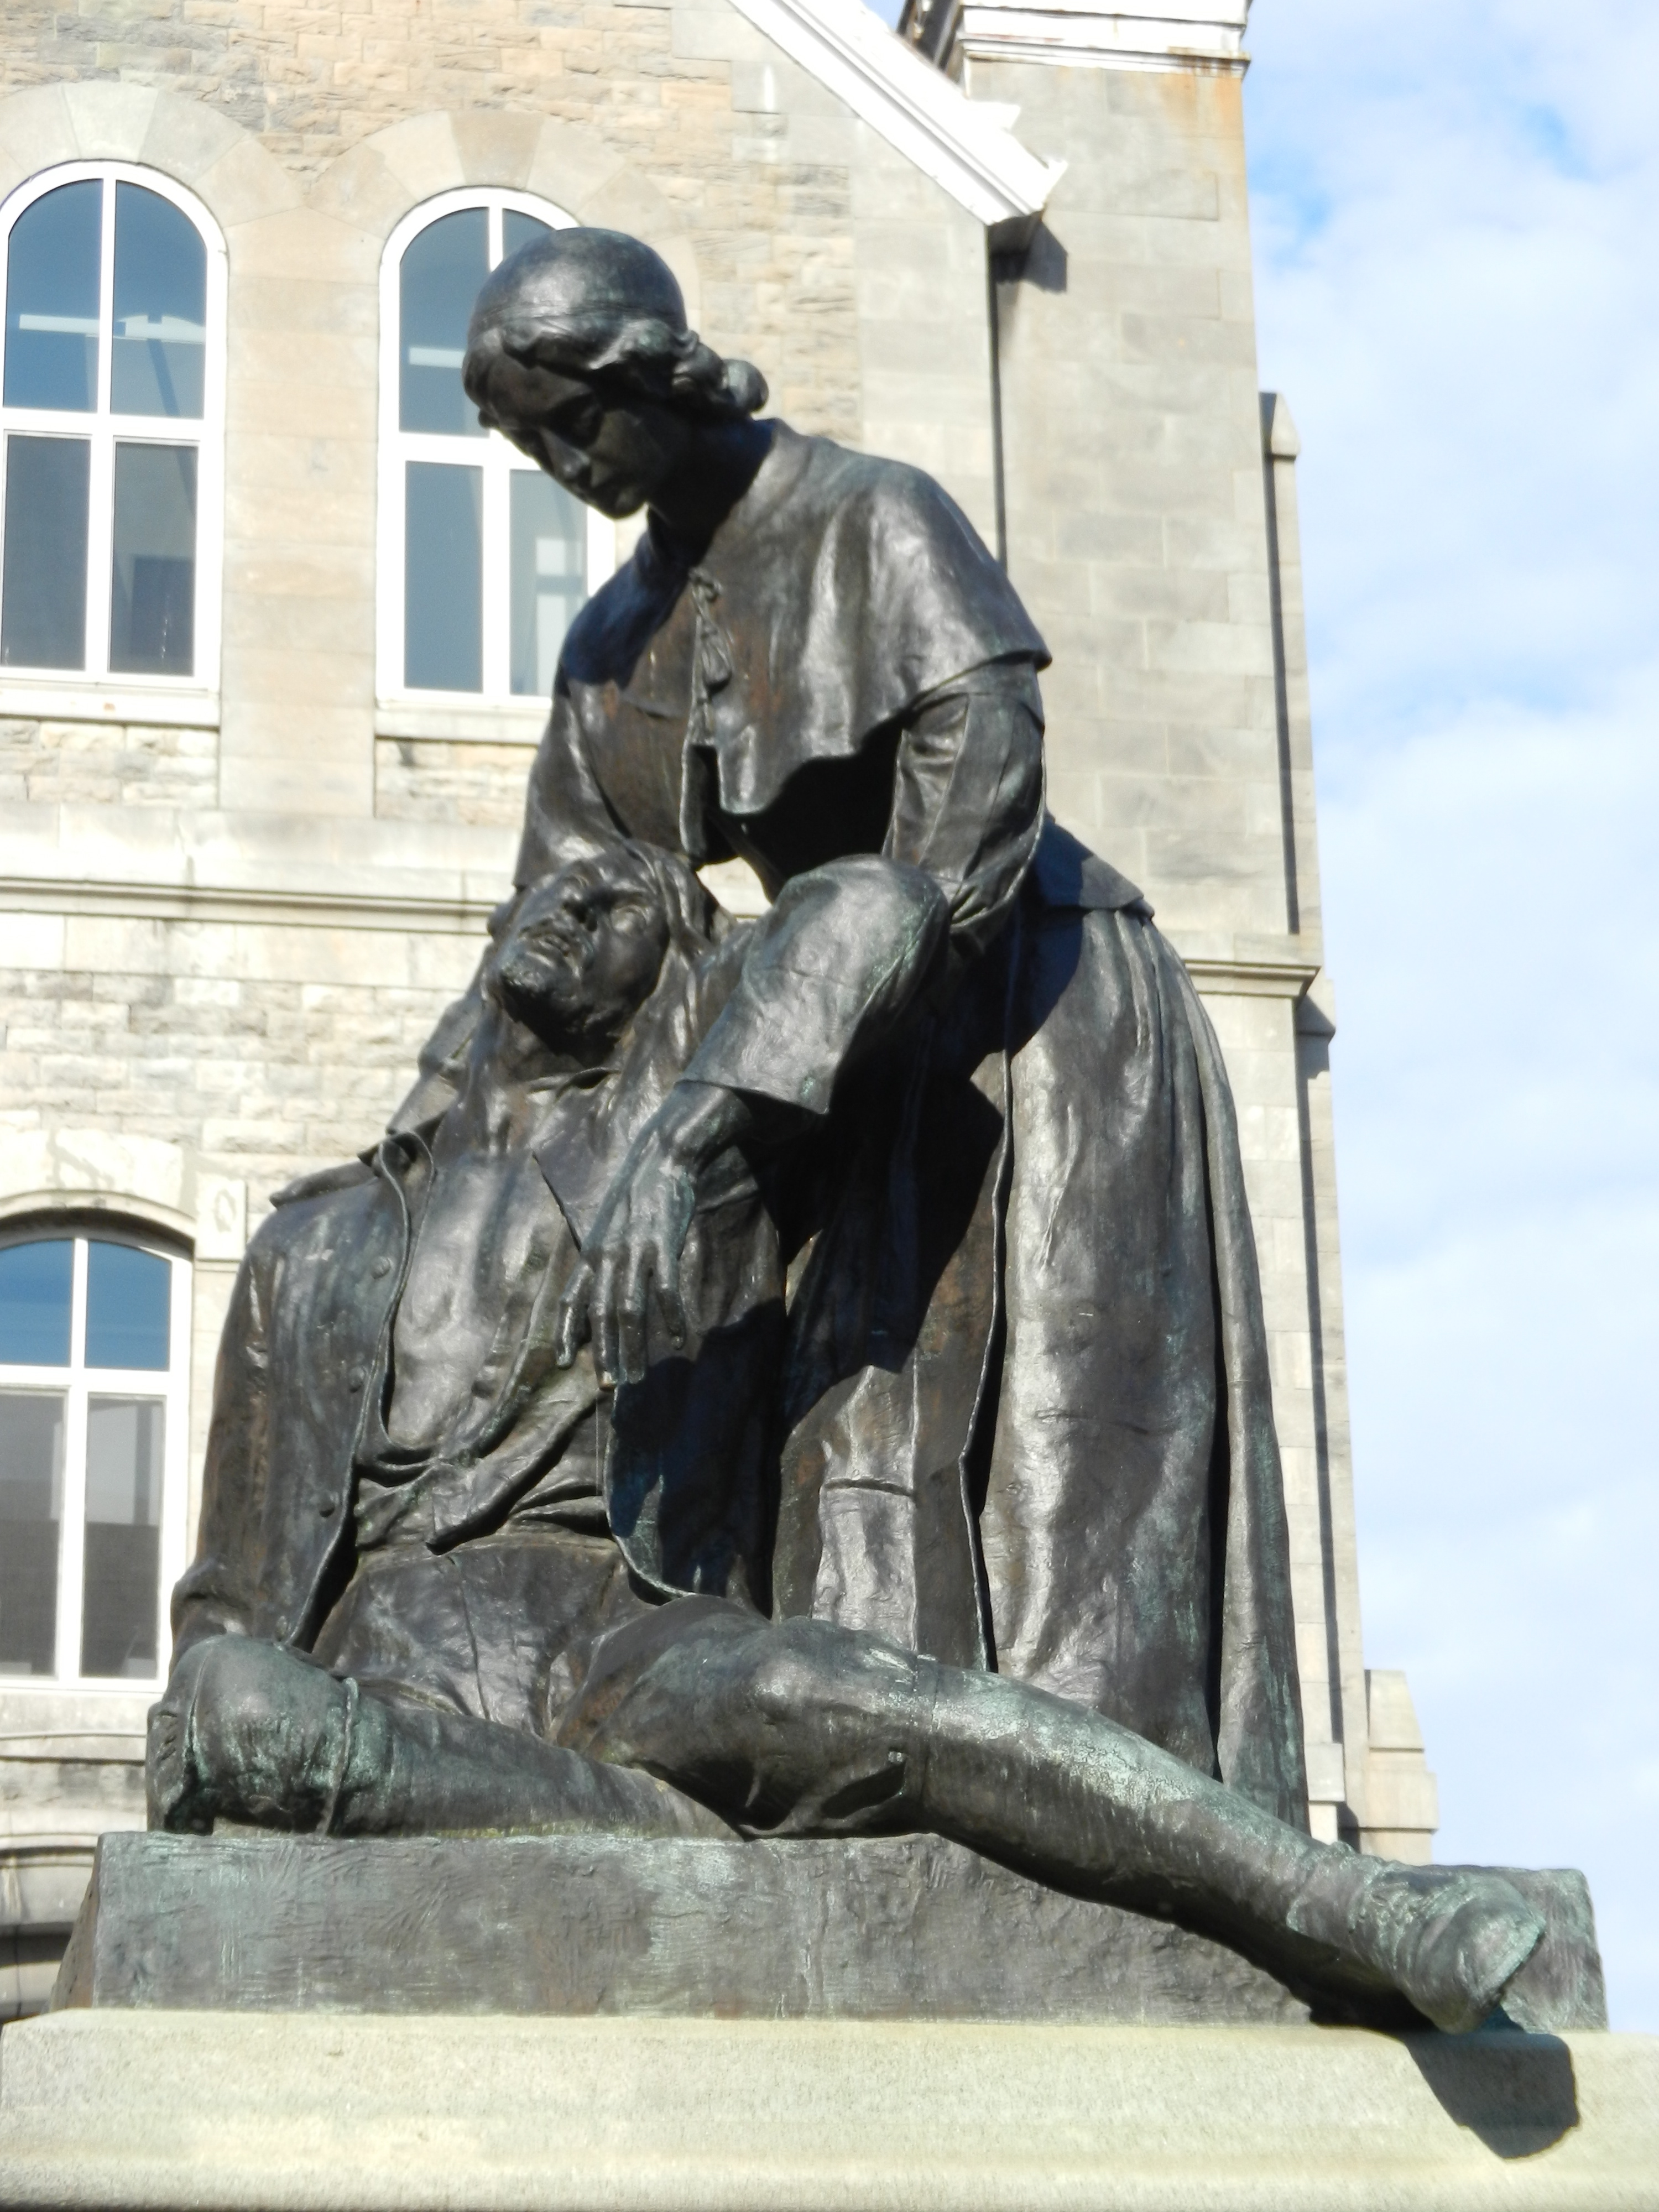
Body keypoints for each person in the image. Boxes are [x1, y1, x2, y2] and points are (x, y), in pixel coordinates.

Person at [149, 851, 1545, 2034]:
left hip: (622, 1639)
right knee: (236, 1705)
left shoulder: (700, 1174)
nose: (573, 903)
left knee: (881, 1701)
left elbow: (882, 901)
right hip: (383, 1681)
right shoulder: (309, 1247)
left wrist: (702, 1122)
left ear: (670, 979)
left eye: (624, 901)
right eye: (556, 887)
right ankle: (692, 1836)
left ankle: (1340, 1903)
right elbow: (232, 1597)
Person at [450, 226, 1302, 1827]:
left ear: (656, 368)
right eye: (525, 440)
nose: (564, 460)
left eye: (576, 416)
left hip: (1034, 1029)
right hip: (820, 1081)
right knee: (843, 1486)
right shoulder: (606, 651)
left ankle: (1127, 1854)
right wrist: (430, 1166)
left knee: (1062, 1496)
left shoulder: (875, 519)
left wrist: (729, 1105)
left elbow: (970, 817)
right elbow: (561, 933)